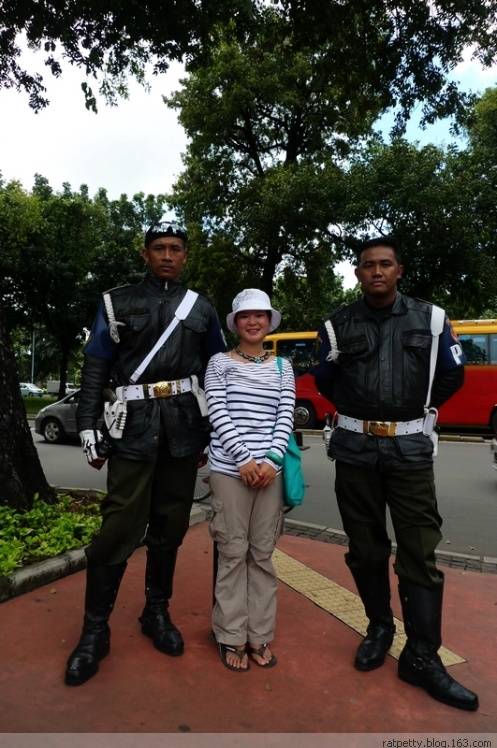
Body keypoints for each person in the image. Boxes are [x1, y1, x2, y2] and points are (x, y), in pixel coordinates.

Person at [313, 237, 478, 711]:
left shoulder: (430, 318)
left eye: (386, 264)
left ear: (399, 270)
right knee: (365, 549)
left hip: (409, 450)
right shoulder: (337, 324)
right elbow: (325, 378)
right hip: (355, 450)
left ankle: (422, 656)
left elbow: (452, 375)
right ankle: (379, 627)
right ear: (358, 272)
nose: (378, 272)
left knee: (419, 551)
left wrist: (413, 413)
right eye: (369, 265)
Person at [65, 220, 226, 686]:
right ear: (145, 254)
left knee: (170, 526)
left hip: (182, 430)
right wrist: (88, 424)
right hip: (132, 429)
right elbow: (95, 364)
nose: (168, 255)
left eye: (176, 248)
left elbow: (214, 372)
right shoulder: (117, 302)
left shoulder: (202, 309)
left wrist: (213, 428)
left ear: (186, 255)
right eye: (160, 248)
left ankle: (156, 612)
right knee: (119, 526)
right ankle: (94, 632)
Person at [204, 289, 295, 671]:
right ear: (236, 323)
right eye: (245, 316)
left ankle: (259, 635)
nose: (253, 322)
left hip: (268, 473)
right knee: (232, 552)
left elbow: (286, 414)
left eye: (260, 315)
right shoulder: (218, 363)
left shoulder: (282, 367)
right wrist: (243, 459)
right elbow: (217, 410)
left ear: (269, 321)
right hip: (229, 469)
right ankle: (229, 635)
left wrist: (272, 461)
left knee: (262, 555)